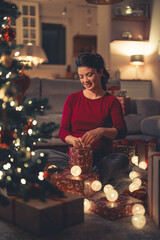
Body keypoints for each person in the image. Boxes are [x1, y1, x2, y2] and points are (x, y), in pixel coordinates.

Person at [35, 53, 129, 185]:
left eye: (89, 75)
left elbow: (122, 131)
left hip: (101, 159)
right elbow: (63, 131)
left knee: (122, 159)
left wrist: (101, 131)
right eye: (81, 77)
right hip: (73, 159)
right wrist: (73, 140)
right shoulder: (72, 99)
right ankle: (90, 178)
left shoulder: (111, 101)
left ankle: (83, 180)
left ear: (100, 72)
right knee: (37, 155)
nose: (85, 80)